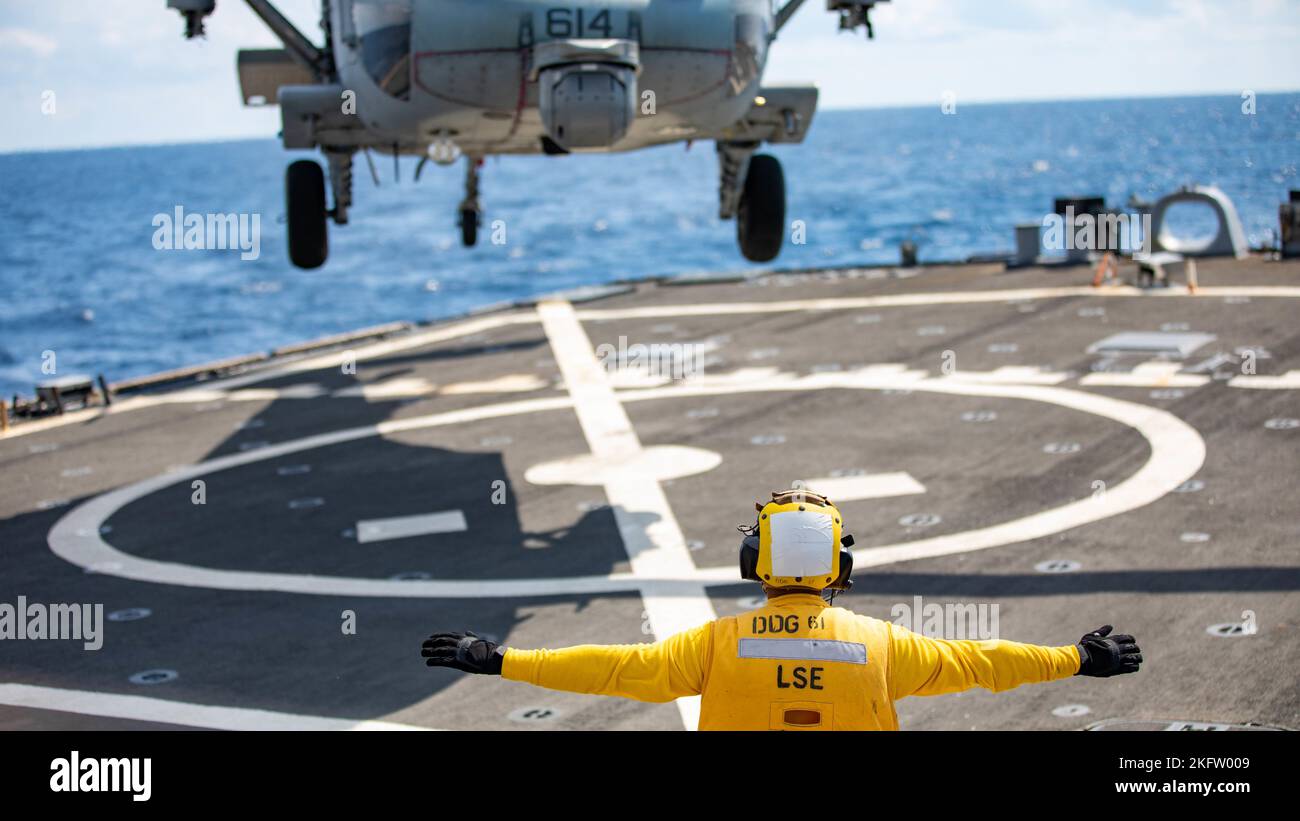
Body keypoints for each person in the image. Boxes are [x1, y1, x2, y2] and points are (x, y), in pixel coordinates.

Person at [422, 489, 1142, 730]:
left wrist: (503, 658)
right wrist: (1078, 657)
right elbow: (990, 662)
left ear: (753, 566)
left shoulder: (715, 644)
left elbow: (614, 669)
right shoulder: (885, 646)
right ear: (841, 569)